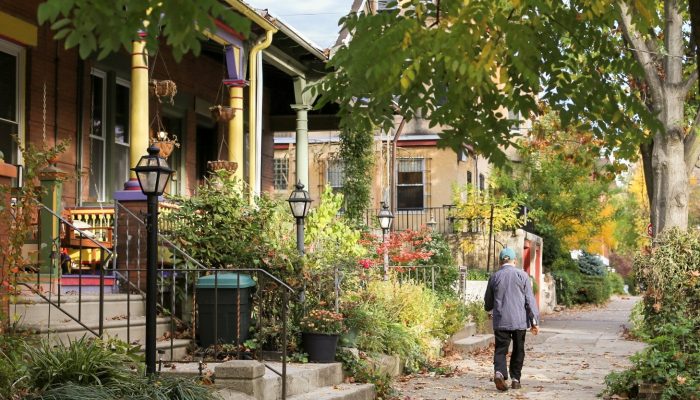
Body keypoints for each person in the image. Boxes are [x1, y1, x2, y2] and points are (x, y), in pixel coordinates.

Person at [484, 247, 539, 391]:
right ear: (515, 260)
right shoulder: (523, 275)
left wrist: (491, 310)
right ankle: (515, 379)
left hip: (501, 321)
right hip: (519, 321)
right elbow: (530, 300)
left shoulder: (494, 277)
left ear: (500, 261)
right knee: (518, 350)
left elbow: (488, 303)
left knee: (501, 349)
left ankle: (499, 373)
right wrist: (534, 321)